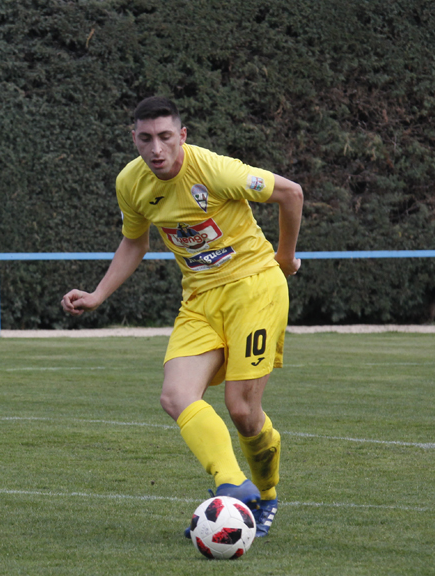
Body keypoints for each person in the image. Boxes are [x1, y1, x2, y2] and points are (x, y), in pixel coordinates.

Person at [61, 96, 303, 538]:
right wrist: (97, 294)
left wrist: (284, 257)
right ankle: (232, 484)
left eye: (165, 137)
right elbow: (135, 242)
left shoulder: (212, 170)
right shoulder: (130, 183)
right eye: (146, 138)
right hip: (199, 299)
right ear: (133, 138)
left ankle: (266, 494)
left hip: (254, 288)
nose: (156, 148)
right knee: (175, 396)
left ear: (182, 137)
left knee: (243, 412)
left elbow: (291, 193)